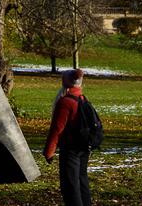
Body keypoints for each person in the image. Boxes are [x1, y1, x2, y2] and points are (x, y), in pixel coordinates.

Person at [43, 68, 91, 206]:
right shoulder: (82, 98)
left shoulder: (65, 102)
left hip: (70, 150)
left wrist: (49, 151)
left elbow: (57, 129)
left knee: (70, 187)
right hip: (83, 147)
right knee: (82, 183)